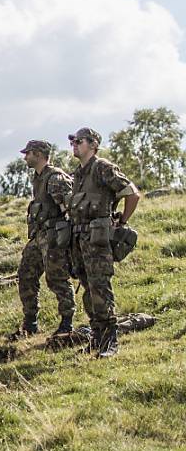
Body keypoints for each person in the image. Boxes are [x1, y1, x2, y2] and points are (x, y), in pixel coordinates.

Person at [67, 127, 140, 357]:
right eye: (72, 141)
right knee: (89, 290)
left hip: (98, 241)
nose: (74, 145)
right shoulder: (78, 174)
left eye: (79, 141)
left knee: (100, 289)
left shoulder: (102, 168)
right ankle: (97, 339)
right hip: (80, 240)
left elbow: (132, 193)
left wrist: (121, 221)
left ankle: (110, 341)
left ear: (93, 144)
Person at [10, 140, 77, 340]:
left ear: (38, 154)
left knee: (57, 279)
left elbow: (70, 209)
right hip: (39, 235)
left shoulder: (55, 178)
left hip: (54, 237)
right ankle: (30, 323)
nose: (25, 157)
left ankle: (67, 322)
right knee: (25, 274)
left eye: (28, 153)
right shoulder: (37, 178)